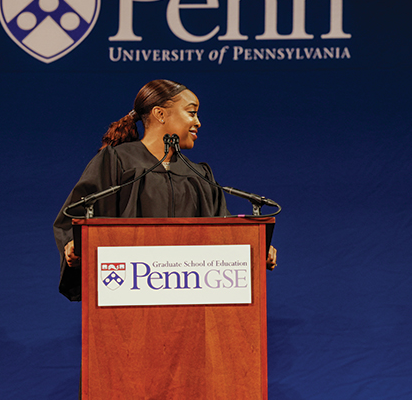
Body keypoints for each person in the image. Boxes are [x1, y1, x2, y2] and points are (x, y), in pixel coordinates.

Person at [53, 79, 277, 301]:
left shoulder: (199, 175)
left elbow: (221, 232)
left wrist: (254, 249)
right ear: (160, 114)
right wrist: (74, 245)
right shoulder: (117, 161)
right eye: (191, 113)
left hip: (192, 297)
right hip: (129, 295)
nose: (198, 122)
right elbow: (75, 217)